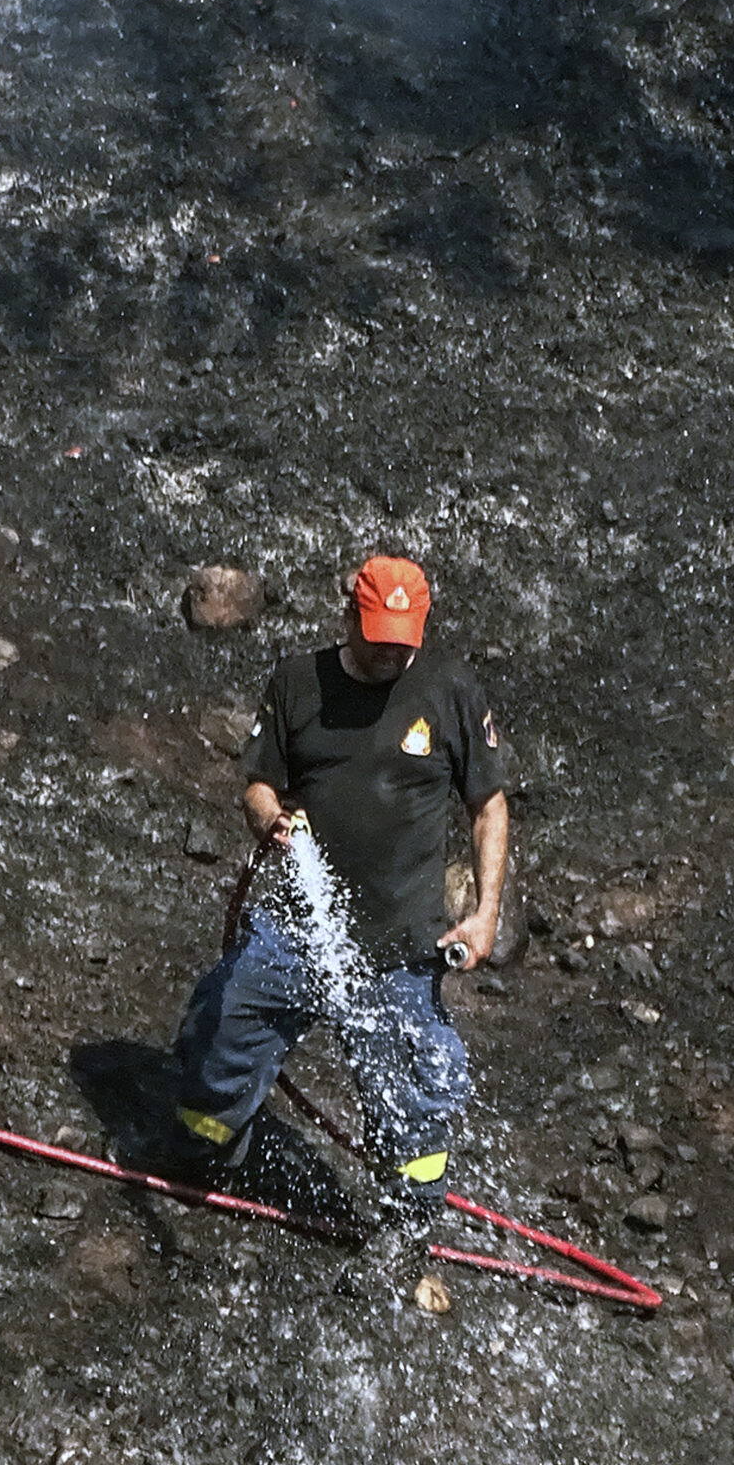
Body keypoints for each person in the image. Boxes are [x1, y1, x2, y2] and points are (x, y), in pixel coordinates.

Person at [168, 552, 509, 1292]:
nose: (394, 650)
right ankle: (211, 1148)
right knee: (223, 1028)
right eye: (380, 634)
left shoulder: (448, 691)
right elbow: (260, 782)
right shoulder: (298, 683)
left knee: (408, 1087)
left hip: (397, 947)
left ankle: (407, 1229)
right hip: (298, 928)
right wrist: (271, 819)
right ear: (349, 616)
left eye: (405, 636)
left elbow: (488, 806)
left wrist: (485, 915)